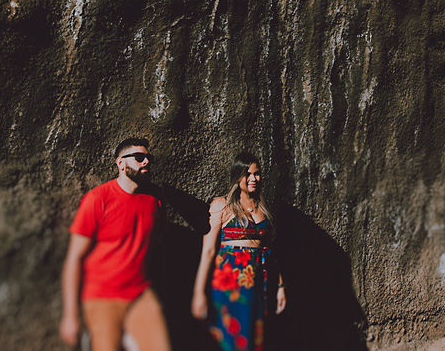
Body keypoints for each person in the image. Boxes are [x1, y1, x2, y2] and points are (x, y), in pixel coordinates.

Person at [60, 137, 170, 351]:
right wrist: (70, 315)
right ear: (120, 163)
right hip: (102, 296)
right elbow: (74, 257)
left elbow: (159, 249)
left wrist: (161, 291)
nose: (146, 161)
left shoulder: (155, 198)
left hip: (141, 294)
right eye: (139, 157)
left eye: (149, 157)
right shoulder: (98, 198)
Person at [191, 152, 286, 351]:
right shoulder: (222, 205)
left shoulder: (263, 208)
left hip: (258, 284)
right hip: (229, 283)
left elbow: (270, 251)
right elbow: (208, 250)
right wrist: (199, 292)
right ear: (237, 176)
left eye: (256, 174)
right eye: (247, 174)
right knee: (228, 337)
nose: (253, 178)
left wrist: (280, 286)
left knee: (253, 337)